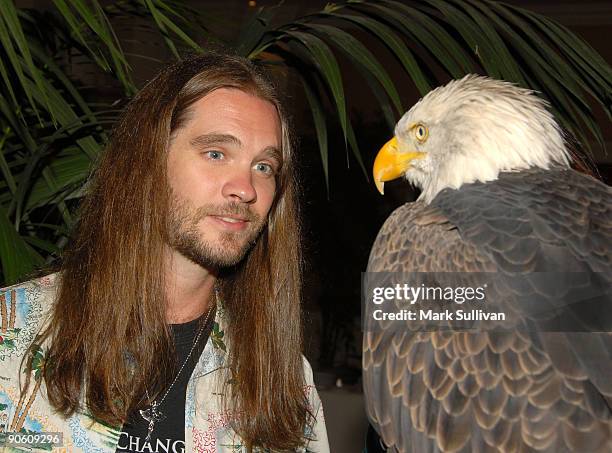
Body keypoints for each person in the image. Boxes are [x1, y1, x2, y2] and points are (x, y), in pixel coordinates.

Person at [0, 52, 329, 453]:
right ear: (148, 161)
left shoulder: (284, 380)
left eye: (264, 166)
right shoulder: (11, 336)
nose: (246, 188)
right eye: (216, 153)